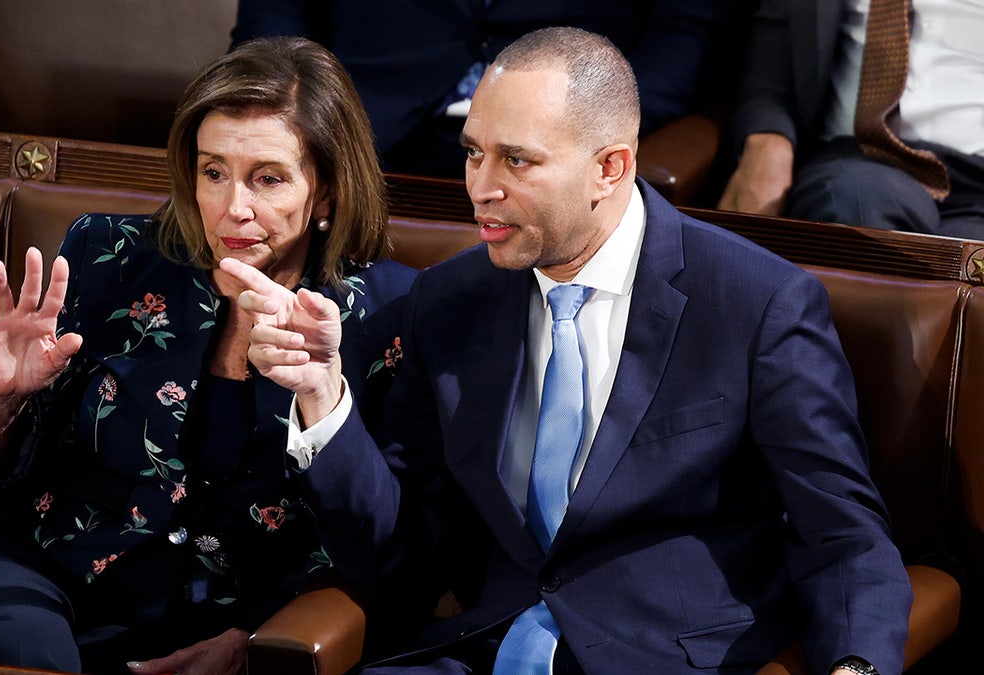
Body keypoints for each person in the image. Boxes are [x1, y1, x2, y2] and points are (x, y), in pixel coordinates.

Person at [224, 27, 913, 674]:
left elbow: (843, 539)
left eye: (517, 160)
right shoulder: (448, 301)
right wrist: (321, 393)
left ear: (609, 167)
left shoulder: (757, 304)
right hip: (473, 650)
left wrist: (854, 666)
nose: (480, 187)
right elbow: (401, 554)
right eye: (472, 152)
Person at [0, 36, 416, 675]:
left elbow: (382, 548)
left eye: (267, 179)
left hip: (238, 620)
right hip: (41, 576)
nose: (232, 208)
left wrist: (323, 395)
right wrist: (4, 403)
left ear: (325, 192)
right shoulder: (110, 254)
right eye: (214, 171)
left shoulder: (390, 315)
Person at [231, 0, 745, 179]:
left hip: (558, 135)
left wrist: (593, 127)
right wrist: (288, 112)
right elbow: (274, 13)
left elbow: (685, 33)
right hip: (356, 124)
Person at [718, 0, 984, 238]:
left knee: (970, 274)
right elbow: (772, 66)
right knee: (857, 212)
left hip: (977, 177)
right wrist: (767, 145)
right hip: (863, 160)